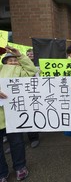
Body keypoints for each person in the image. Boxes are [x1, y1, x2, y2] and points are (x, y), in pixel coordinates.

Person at [0, 46, 38, 181]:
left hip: (14, 114)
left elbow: (32, 71)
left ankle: (20, 167)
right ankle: (2, 172)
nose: (13, 62)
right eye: (10, 60)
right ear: (4, 62)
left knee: (17, 143)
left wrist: (20, 56)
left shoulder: (21, 70)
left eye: (15, 60)